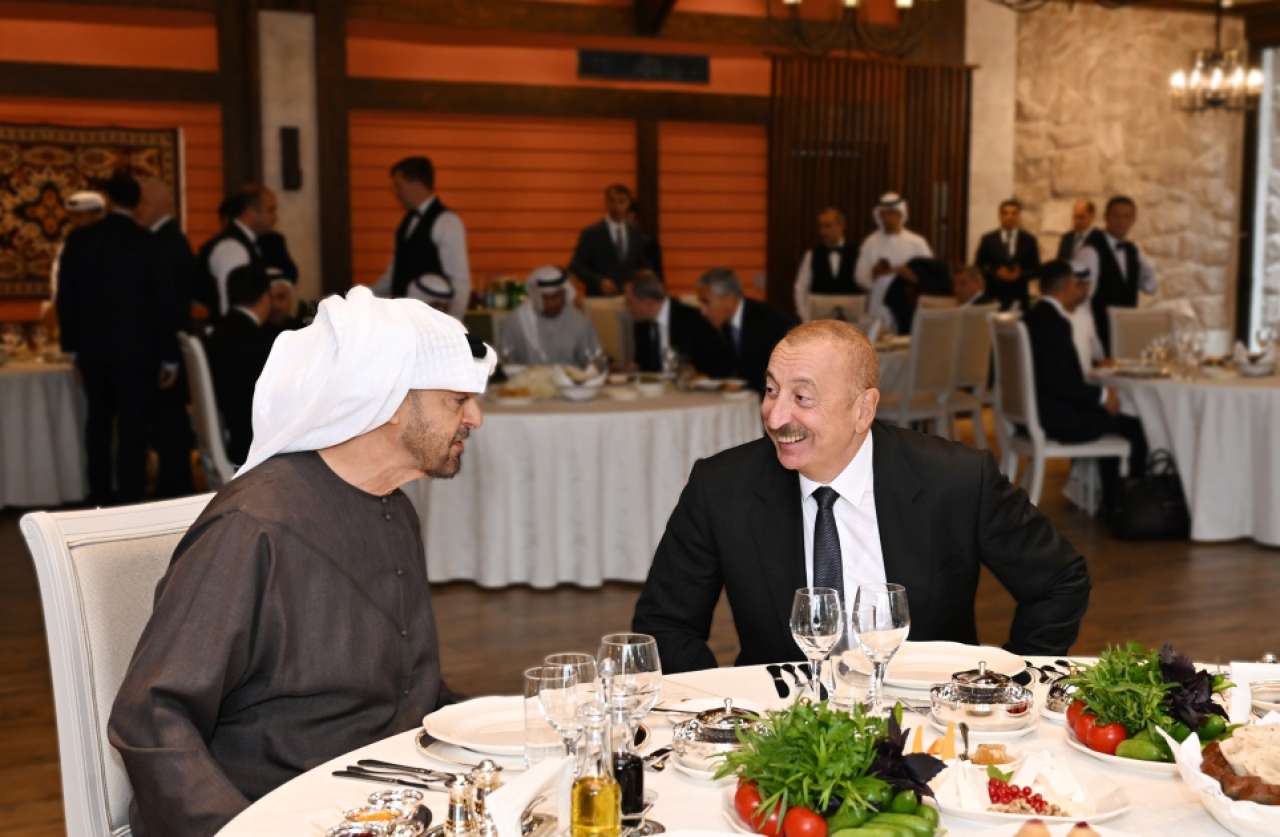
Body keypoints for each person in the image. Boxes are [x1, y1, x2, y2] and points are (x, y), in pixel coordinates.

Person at [108, 285, 495, 836]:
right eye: (457, 400)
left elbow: (409, 690)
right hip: (269, 813)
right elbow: (151, 716)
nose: (476, 417)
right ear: (389, 401)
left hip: (388, 802)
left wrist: (514, 729)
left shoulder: (392, 507)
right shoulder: (253, 527)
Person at [632, 319, 1090, 673]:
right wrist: (727, 714)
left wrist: (1008, 685)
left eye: (802, 398)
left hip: (926, 723)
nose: (775, 416)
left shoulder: (956, 479)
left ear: (863, 409)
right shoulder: (722, 487)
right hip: (783, 730)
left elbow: (1059, 581)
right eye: (771, 390)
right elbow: (664, 624)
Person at [56, 171, 181, 504]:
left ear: (108, 201)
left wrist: (72, 349)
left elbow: (66, 298)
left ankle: (98, 494)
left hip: (93, 351)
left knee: (97, 422)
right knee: (133, 427)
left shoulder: (80, 240)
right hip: (139, 352)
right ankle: (130, 497)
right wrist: (169, 357)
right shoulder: (149, 243)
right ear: (137, 203)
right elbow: (164, 303)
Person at [1023, 259, 1147, 508]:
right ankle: (1125, 507)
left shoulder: (1032, 317)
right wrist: (1103, 396)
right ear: (1067, 285)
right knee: (1136, 426)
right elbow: (1062, 383)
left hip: (1031, 415)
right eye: (1075, 282)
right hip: (1055, 419)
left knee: (1114, 417)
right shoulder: (1055, 323)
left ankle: (1108, 500)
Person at [137, 177, 197, 497]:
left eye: (143, 203)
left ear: (157, 205)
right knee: (167, 422)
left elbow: (168, 303)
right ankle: (173, 484)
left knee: (169, 423)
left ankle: (174, 488)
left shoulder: (166, 242)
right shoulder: (165, 239)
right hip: (168, 344)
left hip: (167, 345)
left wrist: (169, 357)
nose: (138, 210)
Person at [372, 156, 470, 320]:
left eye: (399, 186)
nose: (396, 193)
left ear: (416, 184)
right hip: (404, 319)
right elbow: (394, 273)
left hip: (431, 322)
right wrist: (366, 296)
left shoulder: (447, 222)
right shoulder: (406, 222)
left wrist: (454, 324)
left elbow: (459, 281)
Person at [205, 265, 275, 465]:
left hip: (232, 429)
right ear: (265, 297)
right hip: (248, 442)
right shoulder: (254, 340)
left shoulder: (220, 330)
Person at [1076, 196, 1158, 355]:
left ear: (1133, 220)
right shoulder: (1091, 250)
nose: (1121, 221)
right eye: (1116, 215)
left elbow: (1151, 287)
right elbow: (1082, 301)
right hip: (1100, 336)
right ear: (1106, 217)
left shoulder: (1132, 250)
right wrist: (1093, 343)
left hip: (1126, 335)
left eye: (1127, 216)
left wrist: (1144, 261)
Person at [696, 267, 795, 395]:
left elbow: (776, 374)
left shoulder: (768, 322)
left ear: (728, 299)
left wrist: (743, 385)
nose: (703, 311)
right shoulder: (722, 323)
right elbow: (723, 366)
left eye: (706, 302)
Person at [623, 269, 728, 376]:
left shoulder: (694, 320)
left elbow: (719, 365)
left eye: (629, 302)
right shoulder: (641, 325)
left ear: (648, 303)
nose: (627, 308)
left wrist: (697, 373)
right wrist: (636, 368)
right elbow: (644, 366)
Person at [198, 184, 279, 318]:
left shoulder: (248, 242)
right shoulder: (231, 247)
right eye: (270, 210)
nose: (275, 217)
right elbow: (228, 303)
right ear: (250, 212)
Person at [498, 265, 602, 366]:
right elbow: (505, 362)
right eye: (546, 298)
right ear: (535, 297)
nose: (552, 303)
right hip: (525, 378)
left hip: (569, 378)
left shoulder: (580, 322)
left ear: (565, 294)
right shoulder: (516, 322)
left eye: (556, 297)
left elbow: (594, 361)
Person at [569, 184, 651, 296]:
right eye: (612, 201)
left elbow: (642, 265)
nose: (617, 206)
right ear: (606, 203)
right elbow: (576, 266)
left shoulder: (636, 234)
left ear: (629, 204)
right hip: (599, 297)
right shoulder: (592, 233)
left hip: (629, 298)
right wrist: (599, 281)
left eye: (622, 201)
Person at [793, 207, 860, 322]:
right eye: (821, 226)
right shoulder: (812, 254)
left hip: (850, 321)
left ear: (841, 226)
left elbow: (866, 284)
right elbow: (800, 288)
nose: (823, 232)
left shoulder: (858, 253)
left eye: (827, 226)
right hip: (820, 320)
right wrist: (805, 317)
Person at [974, 198, 1041, 312]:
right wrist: (996, 273)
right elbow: (978, 266)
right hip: (993, 297)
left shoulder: (1029, 240)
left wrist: (1020, 274)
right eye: (1005, 213)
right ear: (999, 216)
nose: (1009, 217)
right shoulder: (988, 239)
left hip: (1019, 298)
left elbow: (1036, 270)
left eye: (1014, 213)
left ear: (1019, 216)